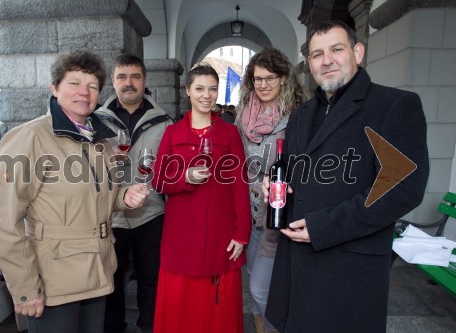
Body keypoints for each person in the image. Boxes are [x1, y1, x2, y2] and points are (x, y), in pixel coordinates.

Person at [263, 20, 429, 333]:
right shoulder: (300, 116)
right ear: (309, 62)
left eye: (336, 49)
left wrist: (324, 226)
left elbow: (402, 188)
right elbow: (304, 177)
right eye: (316, 54)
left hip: (348, 273)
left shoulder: (394, 106)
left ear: (358, 52)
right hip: (296, 267)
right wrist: (280, 189)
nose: (326, 60)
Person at [0, 50, 150, 333]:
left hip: (97, 272)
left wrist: (124, 197)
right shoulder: (29, 137)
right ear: (54, 87)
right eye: (74, 83)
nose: (84, 92)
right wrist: (25, 288)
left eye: (93, 86)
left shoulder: (98, 141)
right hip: (54, 283)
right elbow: (3, 219)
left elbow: (102, 197)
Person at [151, 62, 251, 333]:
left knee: (217, 313)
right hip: (180, 237)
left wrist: (242, 233)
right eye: (199, 88)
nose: (206, 95)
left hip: (220, 235)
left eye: (212, 89)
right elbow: (158, 179)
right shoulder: (172, 133)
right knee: (181, 310)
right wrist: (184, 178)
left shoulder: (229, 134)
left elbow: (240, 185)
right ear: (188, 91)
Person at [95, 53, 173, 333]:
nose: (129, 83)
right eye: (122, 77)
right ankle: (113, 328)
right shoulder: (96, 122)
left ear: (144, 81)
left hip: (150, 215)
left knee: (151, 279)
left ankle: (150, 326)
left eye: (135, 77)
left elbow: (170, 169)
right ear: (112, 82)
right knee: (110, 280)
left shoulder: (164, 121)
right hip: (111, 215)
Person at [235, 47, 309, 333]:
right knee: (254, 284)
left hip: (279, 214)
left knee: (260, 289)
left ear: (284, 79)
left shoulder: (297, 115)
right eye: (257, 79)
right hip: (251, 213)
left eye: (270, 78)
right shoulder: (244, 116)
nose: (263, 85)